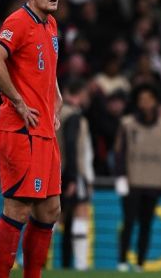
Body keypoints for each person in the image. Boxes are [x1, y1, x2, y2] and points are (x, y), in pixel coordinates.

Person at [0, 0, 63, 278]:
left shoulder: (51, 24)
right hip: (21, 130)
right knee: (18, 208)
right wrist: (18, 100)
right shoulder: (18, 22)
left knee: (50, 209)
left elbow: (45, 66)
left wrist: (55, 96)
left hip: (44, 130)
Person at [114, 84, 161, 272]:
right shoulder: (127, 124)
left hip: (154, 181)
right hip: (132, 181)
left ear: (155, 101)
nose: (145, 103)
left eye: (148, 99)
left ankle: (140, 263)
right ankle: (123, 261)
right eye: (142, 99)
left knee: (147, 224)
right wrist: (121, 176)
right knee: (129, 221)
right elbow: (119, 152)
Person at [57, 80, 94, 270]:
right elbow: (74, 148)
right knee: (80, 212)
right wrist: (73, 177)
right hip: (71, 172)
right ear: (79, 94)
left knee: (51, 215)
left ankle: (27, 258)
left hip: (54, 171)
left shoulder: (57, 113)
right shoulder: (74, 116)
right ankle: (81, 264)